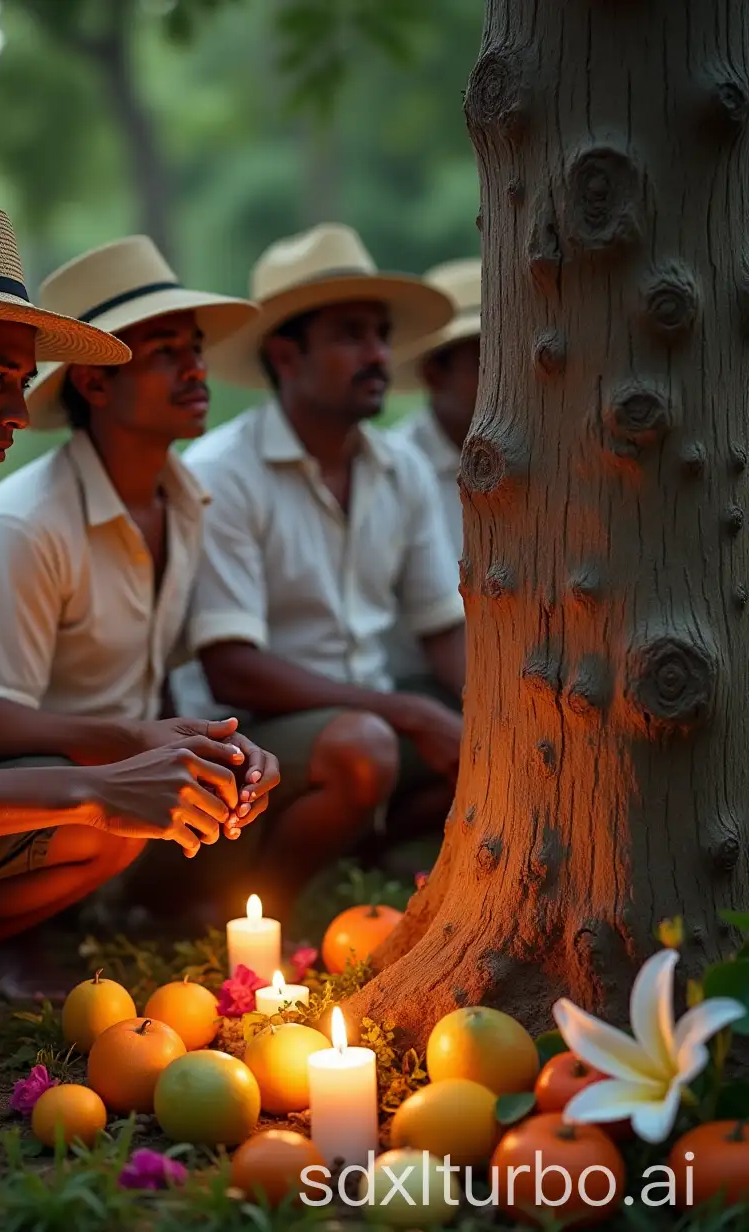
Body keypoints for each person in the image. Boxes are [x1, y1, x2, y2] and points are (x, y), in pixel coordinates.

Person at [0, 201, 276, 1135]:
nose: (21, 414)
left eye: (24, 383)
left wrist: (138, 745)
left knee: (110, 829)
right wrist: (98, 790)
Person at [0, 235, 278, 946]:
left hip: (129, 766)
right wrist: (132, 753)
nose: (196, 369)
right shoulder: (24, 525)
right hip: (38, 782)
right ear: (96, 383)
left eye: (194, 349)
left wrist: (206, 748)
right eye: (165, 352)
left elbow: (158, 681)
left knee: (255, 769)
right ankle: (10, 948)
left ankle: (149, 911)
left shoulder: (187, 500)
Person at [176, 223, 467, 922]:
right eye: (350, 335)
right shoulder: (222, 474)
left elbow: (443, 630)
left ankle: (360, 848)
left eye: (380, 334)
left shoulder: (400, 470)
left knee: (504, 739)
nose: (377, 355)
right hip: (252, 738)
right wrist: (407, 711)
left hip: (368, 723)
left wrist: (509, 724)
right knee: (369, 746)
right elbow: (232, 672)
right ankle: (249, 908)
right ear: (286, 354)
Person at [384, 257, 481, 678]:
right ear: (433, 373)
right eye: (485, 362)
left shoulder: (551, 465)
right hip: (424, 680)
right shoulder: (394, 470)